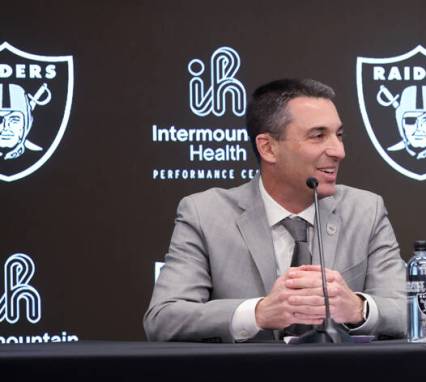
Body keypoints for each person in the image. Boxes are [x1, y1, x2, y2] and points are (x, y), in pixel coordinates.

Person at [145, 79, 406, 342]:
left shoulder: (365, 210)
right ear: (268, 148)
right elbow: (164, 318)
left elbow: (409, 312)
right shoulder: (205, 214)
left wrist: (357, 308)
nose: (339, 151)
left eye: (338, 135)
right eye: (318, 136)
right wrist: (258, 313)